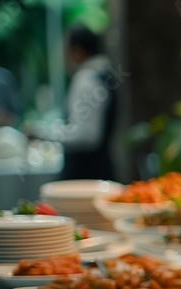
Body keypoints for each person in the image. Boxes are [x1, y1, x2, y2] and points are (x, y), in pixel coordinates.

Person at [26, 24, 117, 180]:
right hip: (98, 169)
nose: (63, 56)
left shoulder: (86, 80)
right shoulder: (103, 73)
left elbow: (86, 135)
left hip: (85, 174)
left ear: (77, 50)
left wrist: (42, 133)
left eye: (65, 49)